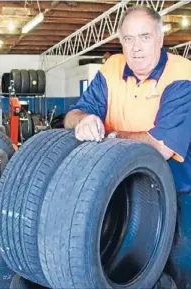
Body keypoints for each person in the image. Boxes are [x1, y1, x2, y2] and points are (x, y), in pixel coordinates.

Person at [65, 5, 191, 288]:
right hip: (125, 188)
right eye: (128, 39)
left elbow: (161, 147)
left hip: (180, 190)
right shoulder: (111, 69)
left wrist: (109, 136)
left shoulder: (181, 74)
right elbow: (73, 114)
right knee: (128, 265)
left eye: (145, 37)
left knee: (178, 264)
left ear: (160, 39)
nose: (136, 48)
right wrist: (84, 120)